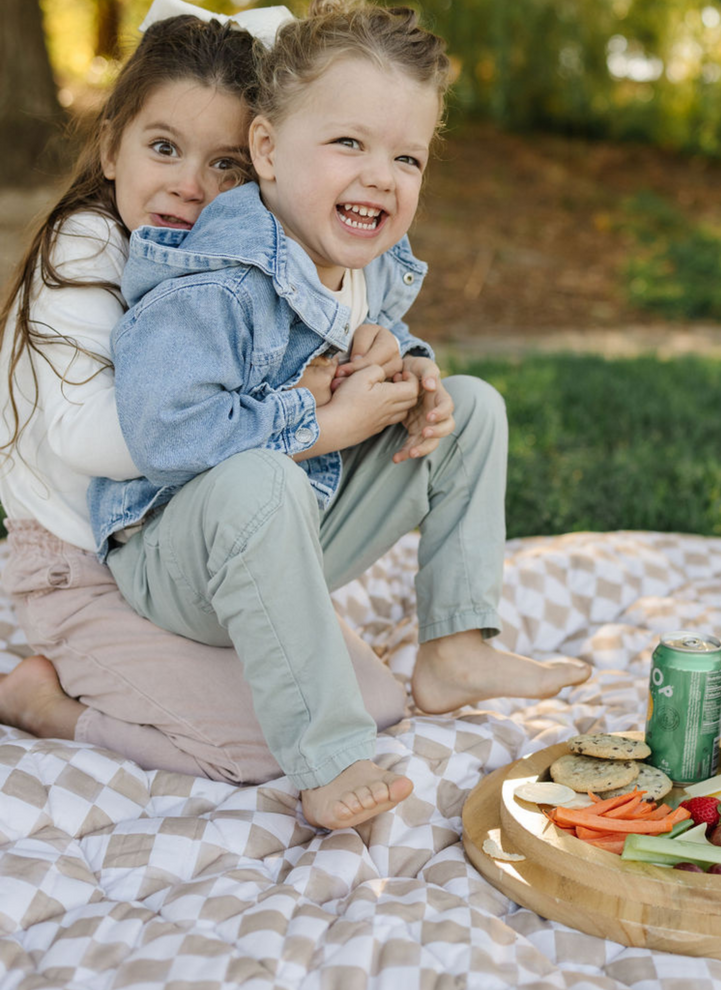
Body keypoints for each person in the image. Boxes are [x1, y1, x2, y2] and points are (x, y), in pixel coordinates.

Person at [87, 0, 591, 831]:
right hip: (177, 562)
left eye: (407, 157)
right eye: (349, 143)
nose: (380, 176)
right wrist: (323, 425)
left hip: (293, 529)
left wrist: (409, 375)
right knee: (255, 479)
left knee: (472, 407)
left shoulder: (359, 263)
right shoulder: (212, 282)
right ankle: (326, 755)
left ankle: (455, 648)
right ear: (268, 151)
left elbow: (380, 342)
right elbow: (169, 438)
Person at [0, 4, 407, 785]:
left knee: (375, 703)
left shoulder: (226, 259)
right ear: (112, 143)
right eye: (163, 148)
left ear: (260, 165)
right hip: (79, 568)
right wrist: (304, 418)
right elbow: (93, 437)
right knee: (271, 748)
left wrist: (383, 360)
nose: (190, 187)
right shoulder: (87, 247)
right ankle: (48, 706)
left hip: (177, 547)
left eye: (224, 166)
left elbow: (348, 314)